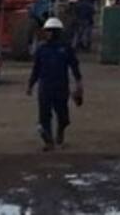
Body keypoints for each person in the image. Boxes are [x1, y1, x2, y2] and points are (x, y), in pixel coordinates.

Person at [27, 17, 83, 151]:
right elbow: (36, 69)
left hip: (61, 87)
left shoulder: (66, 49)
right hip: (45, 88)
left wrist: (79, 84)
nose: (46, 34)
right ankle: (48, 141)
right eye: (46, 31)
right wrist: (30, 85)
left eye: (49, 31)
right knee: (44, 116)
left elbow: (74, 66)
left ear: (56, 32)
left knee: (63, 115)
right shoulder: (42, 50)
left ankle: (60, 132)